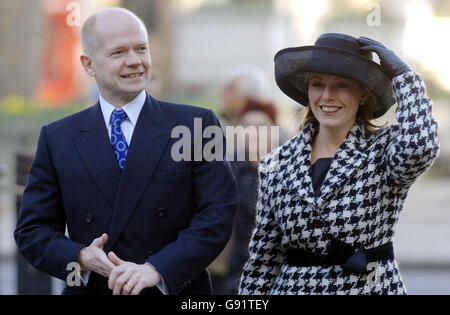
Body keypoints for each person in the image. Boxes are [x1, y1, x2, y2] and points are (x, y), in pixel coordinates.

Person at [14, 8, 238, 295]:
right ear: (88, 64)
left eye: (141, 49)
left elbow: (217, 216)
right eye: (119, 52)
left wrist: (156, 269)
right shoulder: (57, 138)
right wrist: (81, 257)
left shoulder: (196, 124)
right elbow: (32, 232)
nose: (135, 61)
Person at [239, 33, 440, 295]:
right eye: (318, 84)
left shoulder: (382, 149)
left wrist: (405, 78)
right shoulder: (277, 162)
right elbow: (263, 259)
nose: (327, 96)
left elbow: (421, 146)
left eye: (341, 85)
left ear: (363, 92)